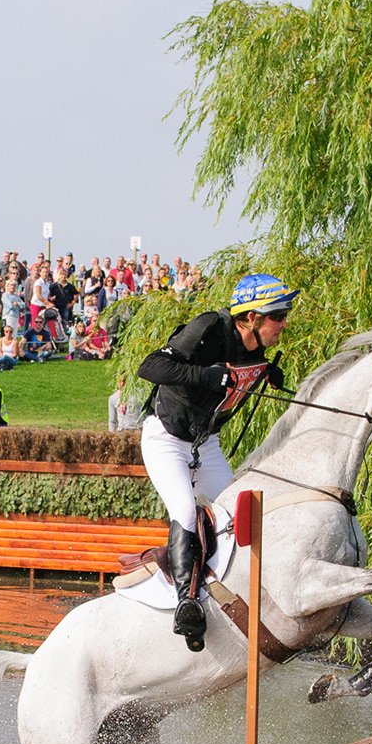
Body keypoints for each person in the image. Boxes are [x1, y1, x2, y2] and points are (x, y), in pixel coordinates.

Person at [135, 272, 295, 650]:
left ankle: (249, 591)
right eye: (278, 316)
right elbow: (150, 367)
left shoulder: (253, 350)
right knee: (186, 513)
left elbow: (236, 374)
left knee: (242, 514)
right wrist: (207, 376)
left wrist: (266, 372)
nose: (284, 322)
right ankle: (186, 605)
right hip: (166, 441)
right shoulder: (209, 327)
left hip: (205, 446)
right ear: (252, 318)